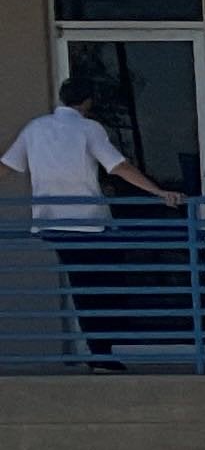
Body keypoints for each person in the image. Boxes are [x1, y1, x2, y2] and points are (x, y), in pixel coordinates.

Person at [8, 80, 184, 369]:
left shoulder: (35, 128)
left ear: (62, 99)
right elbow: (118, 167)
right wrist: (159, 192)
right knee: (103, 285)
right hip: (88, 224)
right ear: (88, 102)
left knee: (86, 285)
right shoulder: (88, 129)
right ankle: (102, 351)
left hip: (52, 223)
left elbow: (6, 165)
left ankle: (101, 351)